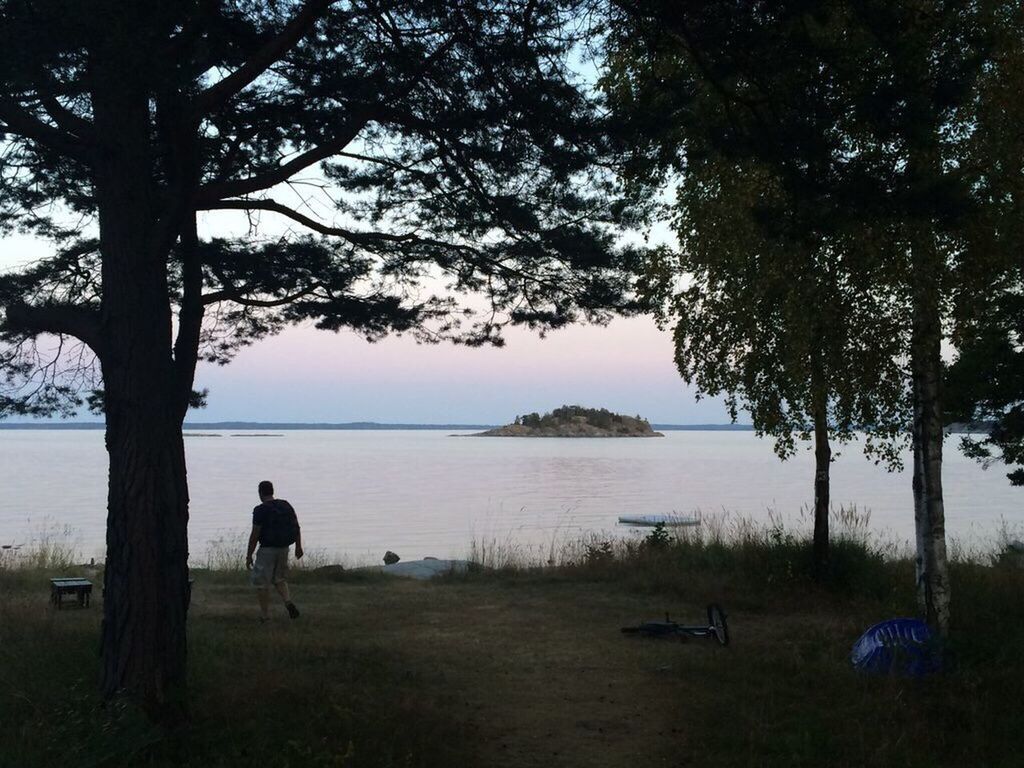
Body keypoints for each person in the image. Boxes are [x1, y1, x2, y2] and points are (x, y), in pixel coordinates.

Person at [246, 480, 303, 621]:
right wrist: (298, 546)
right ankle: (288, 601)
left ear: (260, 493)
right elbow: (296, 526)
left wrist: (249, 555)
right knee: (280, 579)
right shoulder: (285, 505)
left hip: (267, 550)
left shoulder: (260, 510)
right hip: (284, 548)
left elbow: (255, 534)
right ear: (272, 491)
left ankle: (265, 616)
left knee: (262, 583)